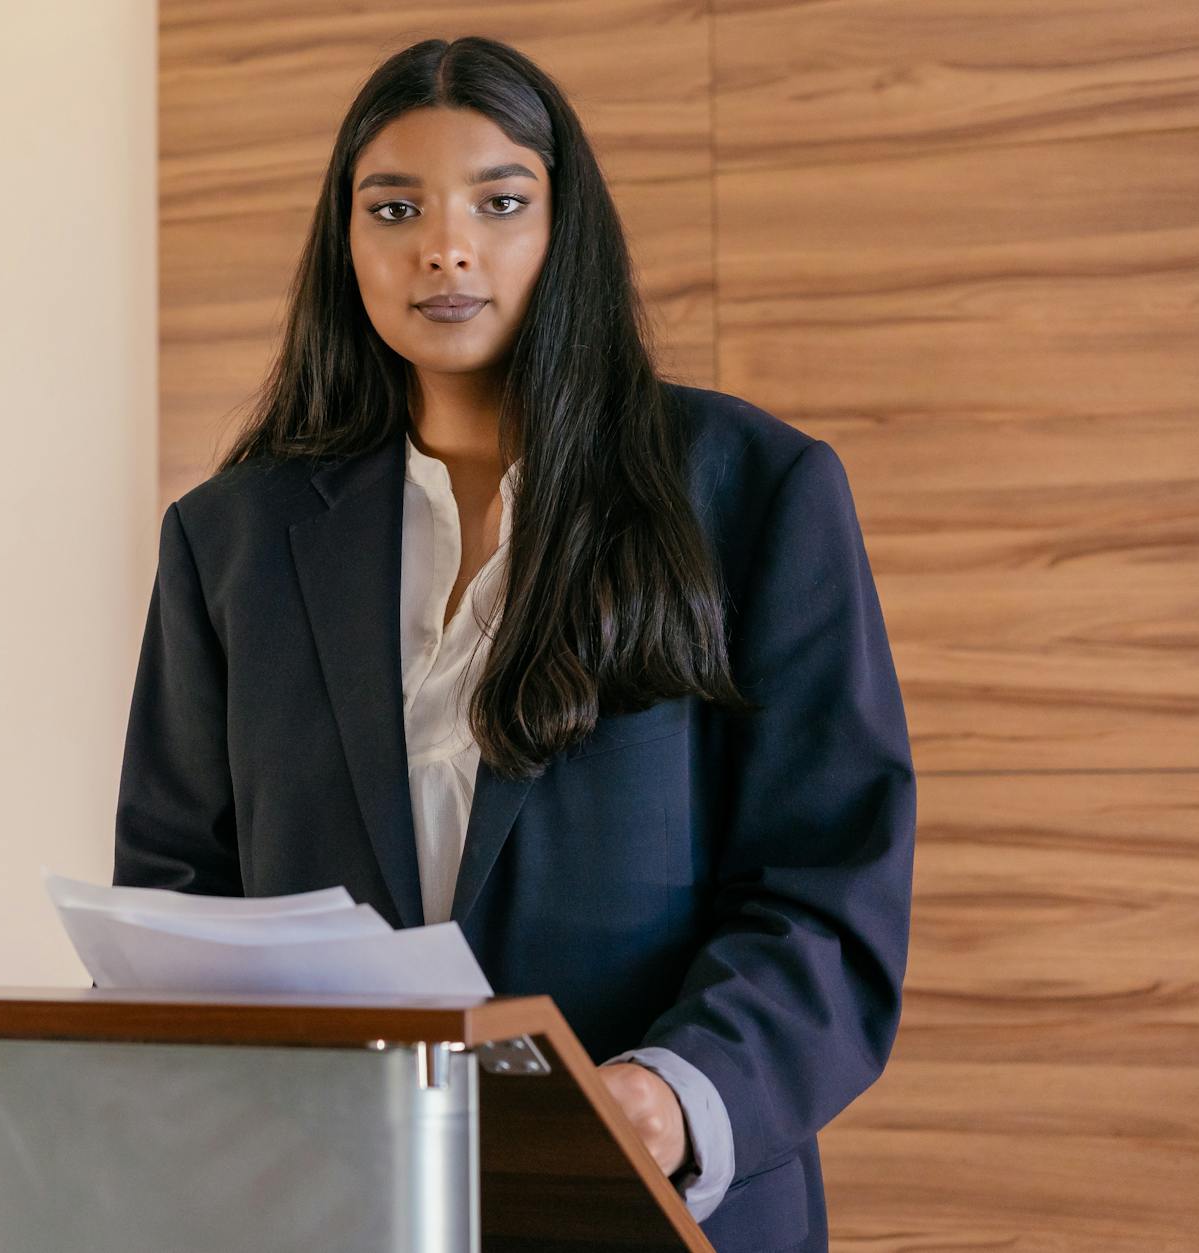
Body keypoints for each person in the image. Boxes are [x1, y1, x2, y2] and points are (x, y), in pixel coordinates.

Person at [113, 35, 915, 1253]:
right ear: (347, 246)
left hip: (652, 1205)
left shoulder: (750, 491)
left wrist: (664, 1095)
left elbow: (827, 887)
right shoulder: (229, 537)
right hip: (332, 1205)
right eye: (396, 208)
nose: (445, 245)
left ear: (563, 229)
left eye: (498, 202)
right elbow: (176, 884)